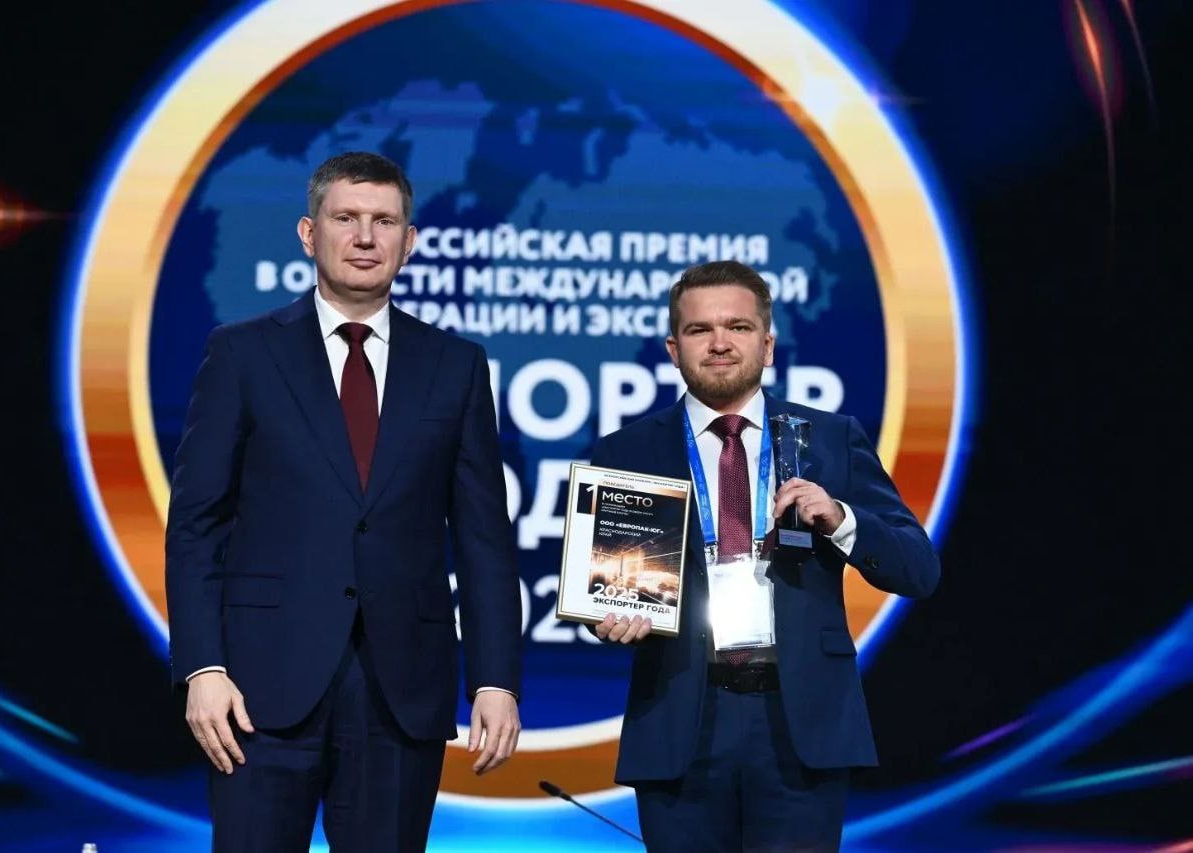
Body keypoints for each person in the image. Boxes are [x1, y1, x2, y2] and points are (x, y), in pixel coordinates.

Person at [165, 151, 522, 852]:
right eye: (346, 218)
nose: (365, 237)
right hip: (258, 691)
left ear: (409, 241)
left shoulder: (456, 366)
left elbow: (484, 539)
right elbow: (195, 526)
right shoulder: (242, 354)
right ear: (309, 233)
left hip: (401, 693)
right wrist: (202, 667)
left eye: (384, 221)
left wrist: (496, 681)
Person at [590, 261, 939, 851]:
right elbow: (605, 586)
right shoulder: (625, 451)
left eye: (738, 327)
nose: (720, 343)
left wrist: (841, 518)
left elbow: (918, 569)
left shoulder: (831, 439)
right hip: (680, 718)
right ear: (674, 350)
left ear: (768, 345)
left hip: (801, 721)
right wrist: (610, 618)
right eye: (700, 330)